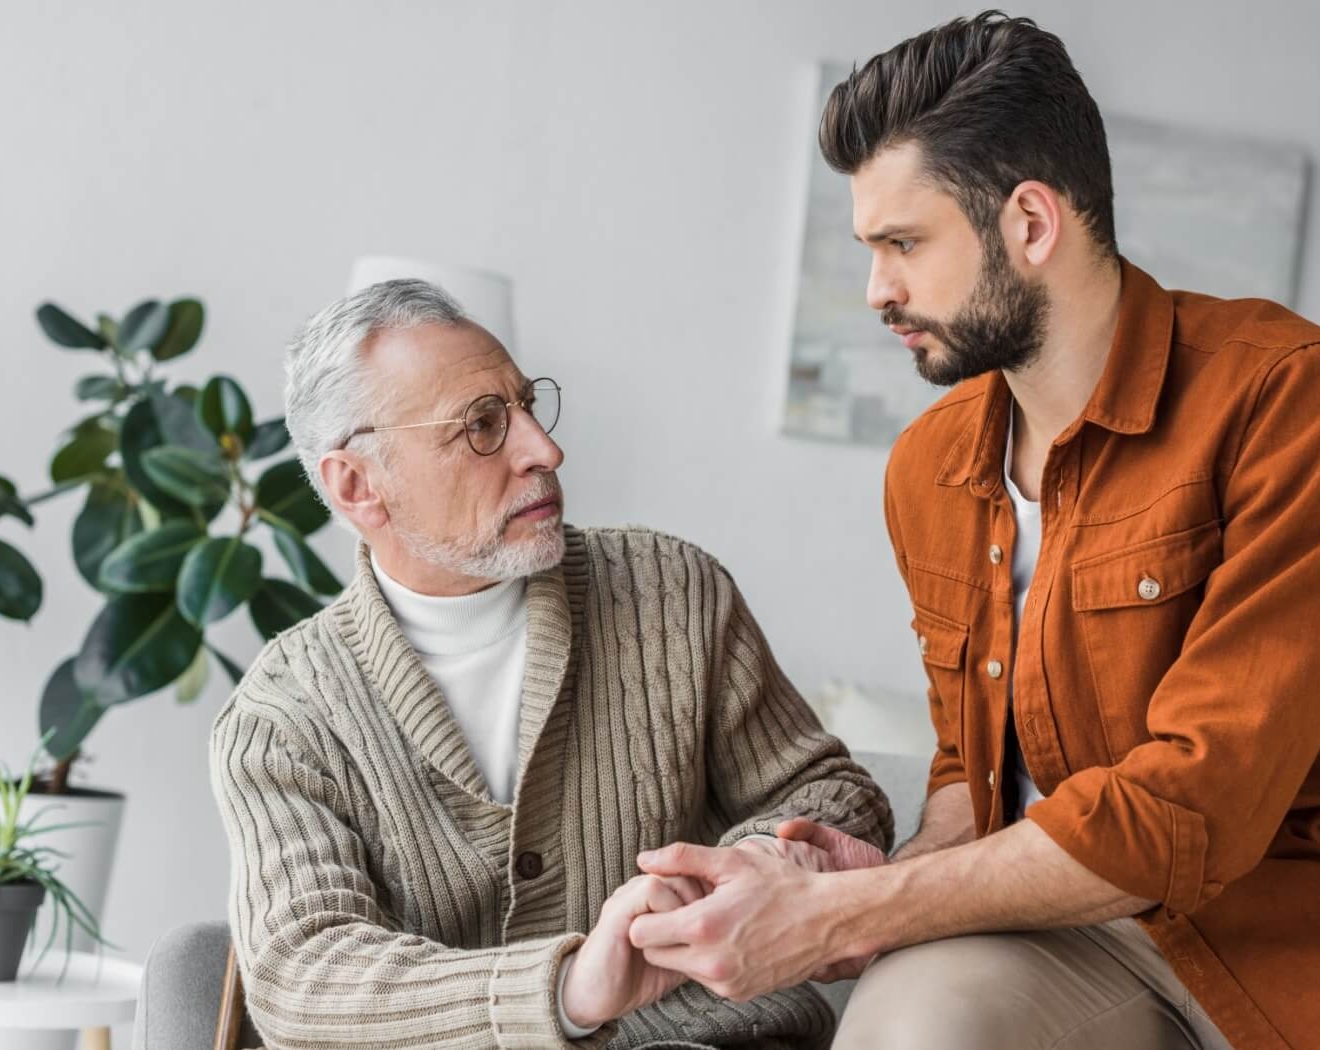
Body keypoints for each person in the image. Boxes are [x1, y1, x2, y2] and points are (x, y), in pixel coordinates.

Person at [630, 13, 1320, 1049]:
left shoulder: (1305, 398)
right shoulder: (926, 469)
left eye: (904, 244)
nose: (877, 289)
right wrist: (897, 876)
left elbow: (1198, 804)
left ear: (1029, 223)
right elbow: (977, 777)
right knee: (906, 1034)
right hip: (1067, 930)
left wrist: (835, 917)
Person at [209, 278, 892, 1050]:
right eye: (483, 426)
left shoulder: (674, 591)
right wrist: (568, 987)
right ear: (358, 485)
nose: (544, 449)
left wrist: (748, 867)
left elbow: (838, 797)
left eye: (527, 407)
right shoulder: (282, 717)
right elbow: (303, 975)